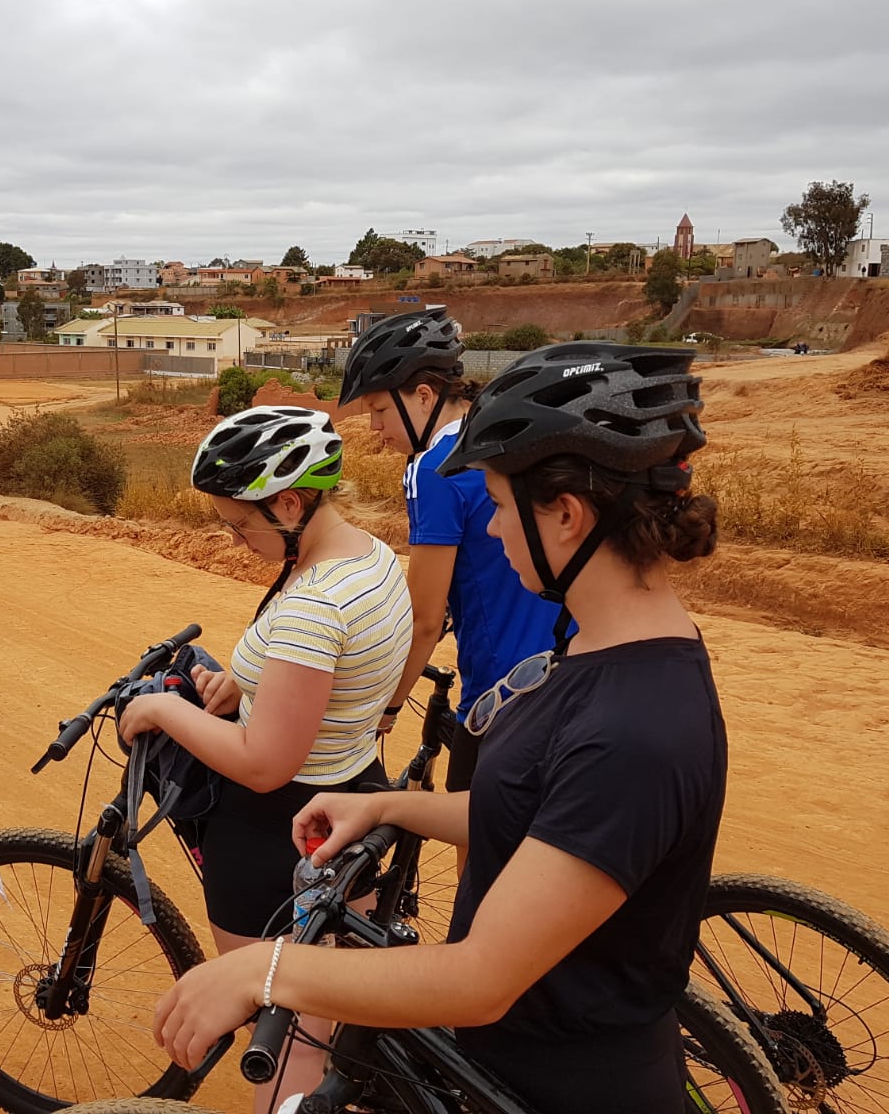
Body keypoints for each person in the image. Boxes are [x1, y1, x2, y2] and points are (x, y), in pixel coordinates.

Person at [148, 343, 724, 1114]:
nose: (492, 531)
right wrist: (390, 807)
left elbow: (481, 978)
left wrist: (263, 971)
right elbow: (544, 818)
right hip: (508, 1067)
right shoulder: (600, 654)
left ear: (567, 515)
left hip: (554, 1085)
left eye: (498, 504)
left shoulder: (634, 728)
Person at [116, 405, 412, 1112]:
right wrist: (246, 685)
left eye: (239, 525)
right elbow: (331, 684)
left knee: (286, 1040)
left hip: (275, 829)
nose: (236, 540)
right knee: (336, 1010)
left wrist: (164, 711)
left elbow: (263, 764)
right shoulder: (371, 560)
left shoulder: (313, 603)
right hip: (352, 797)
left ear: (288, 504)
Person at [339, 312, 555, 799]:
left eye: (379, 409)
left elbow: (424, 621)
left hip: (503, 690)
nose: (374, 427)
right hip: (569, 671)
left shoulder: (434, 469)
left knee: (471, 833)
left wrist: (387, 707)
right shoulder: (507, 437)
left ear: (423, 396)